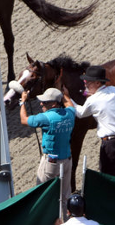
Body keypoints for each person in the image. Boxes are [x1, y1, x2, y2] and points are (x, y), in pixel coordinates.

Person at [67, 65, 115, 179]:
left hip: (112, 144)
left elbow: (80, 113)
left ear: (97, 83)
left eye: (88, 82)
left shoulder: (93, 100)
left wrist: (67, 97)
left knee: (109, 179)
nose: (86, 85)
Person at [20, 87, 75, 218]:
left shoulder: (46, 118)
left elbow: (24, 119)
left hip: (51, 162)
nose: (41, 104)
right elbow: (70, 104)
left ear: (54, 104)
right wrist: (65, 95)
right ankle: (66, 221)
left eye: (44, 102)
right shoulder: (70, 114)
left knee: (42, 193)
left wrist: (22, 102)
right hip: (67, 160)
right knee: (65, 195)